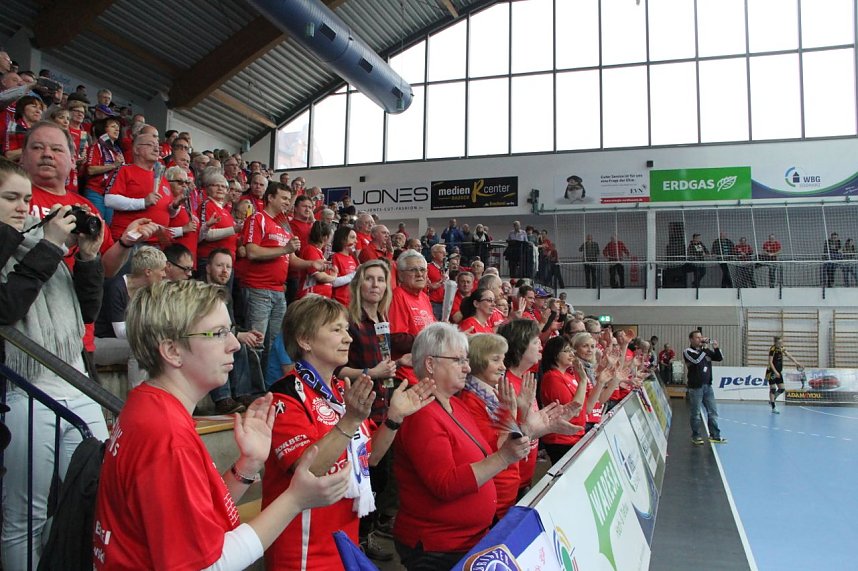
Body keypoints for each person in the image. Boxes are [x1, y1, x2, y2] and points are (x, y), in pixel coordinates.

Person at [92, 280, 351, 569]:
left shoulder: (148, 405)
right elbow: (207, 565)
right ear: (172, 351)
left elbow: (195, 516)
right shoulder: (166, 435)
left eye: (230, 331)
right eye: (218, 334)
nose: (233, 344)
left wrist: (247, 466)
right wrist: (294, 500)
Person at [262, 295, 435, 569]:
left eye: (346, 329)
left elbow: (372, 458)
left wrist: (394, 418)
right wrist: (350, 421)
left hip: (344, 541)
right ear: (305, 340)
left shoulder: (342, 391)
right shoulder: (285, 396)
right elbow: (307, 470)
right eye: (336, 329)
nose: (348, 338)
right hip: (303, 548)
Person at [0, 159, 107, 570]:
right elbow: (7, 306)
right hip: (25, 389)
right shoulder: (34, 246)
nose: (22, 207)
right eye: (10, 197)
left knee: (98, 491)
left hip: (74, 380)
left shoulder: (41, 246)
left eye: (27, 199)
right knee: (25, 514)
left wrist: (89, 257)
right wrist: (47, 245)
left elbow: (87, 311)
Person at [393, 323, 532, 569]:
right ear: (430, 364)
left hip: (466, 541)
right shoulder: (421, 414)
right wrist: (504, 457)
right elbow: (445, 484)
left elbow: (484, 455)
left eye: (466, 360)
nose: (467, 367)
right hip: (438, 548)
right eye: (458, 360)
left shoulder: (456, 406)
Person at [539, 334, 596, 464]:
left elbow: (586, 406)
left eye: (571, 350)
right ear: (555, 354)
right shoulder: (552, 378)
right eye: (566, 351)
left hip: (575, 435)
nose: (571, 354)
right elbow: (574, 410)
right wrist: (582, 381)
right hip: (562, 440)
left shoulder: (568, 376)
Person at [684, 330, 726, 445]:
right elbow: (696, 360)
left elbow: (719, 358)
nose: (700, 339)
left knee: (713, 411)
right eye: (697, 338)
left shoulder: (705, 351)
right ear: (691, 339)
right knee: (696, 413)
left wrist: (716, 348)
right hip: (695, 387)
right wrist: (704, 349)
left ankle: (715, 435)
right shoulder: (688, 351)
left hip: (708, 386)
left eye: (700, 337)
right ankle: (696, 435)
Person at [765, 336, 803, 414]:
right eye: (779, 342)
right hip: (771, 372)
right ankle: (773, 407)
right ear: (775, 343)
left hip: (779, 371)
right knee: (772, 388)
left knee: (781, 389)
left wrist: (796, 362)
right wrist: (775, 372)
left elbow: (789, 355)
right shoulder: (772, 349)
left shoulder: (781, 348)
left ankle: (772, 399)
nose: (781, 344)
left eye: (781, 342)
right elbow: (770, 362)